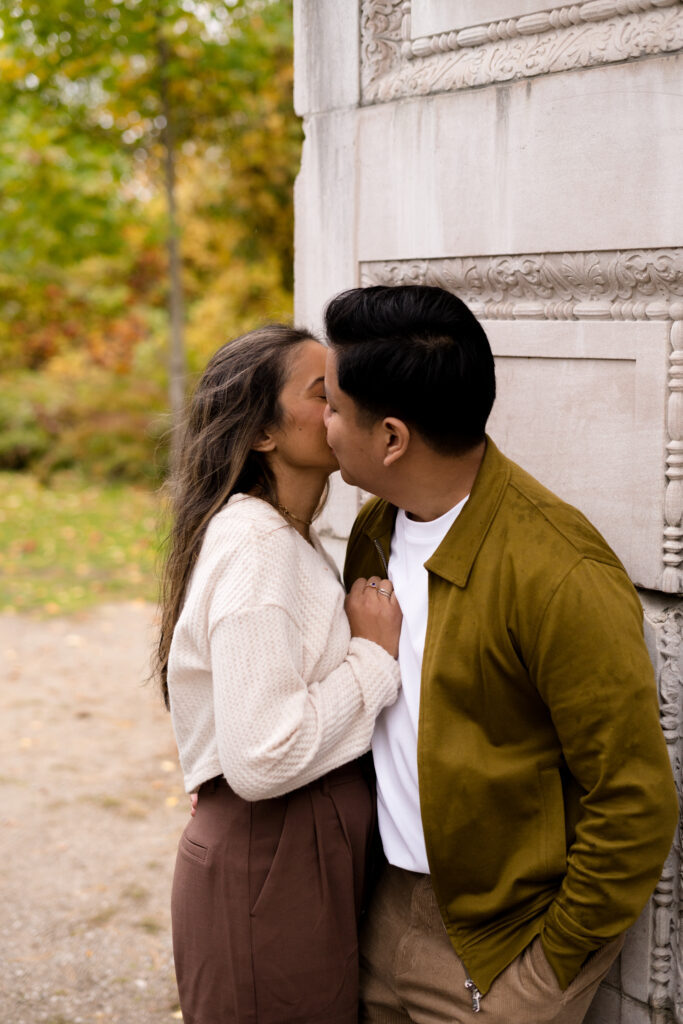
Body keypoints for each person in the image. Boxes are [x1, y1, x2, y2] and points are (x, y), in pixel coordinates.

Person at [322, 284, 678, 1024]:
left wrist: (544, 971)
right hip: (384, 905)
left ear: (390, 439)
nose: (320, 424)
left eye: (329, 405)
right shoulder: (374, 534)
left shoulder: (558, 574)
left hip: (503, 948)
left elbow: (633, 801)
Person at [156, 323, 403, 1024]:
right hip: (272, 857)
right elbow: (264, 756)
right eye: (323, 394)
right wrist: (373, 658)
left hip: (291, 857)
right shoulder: (258, 549)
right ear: (263, 432)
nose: (340, 408)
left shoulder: (279, 535)